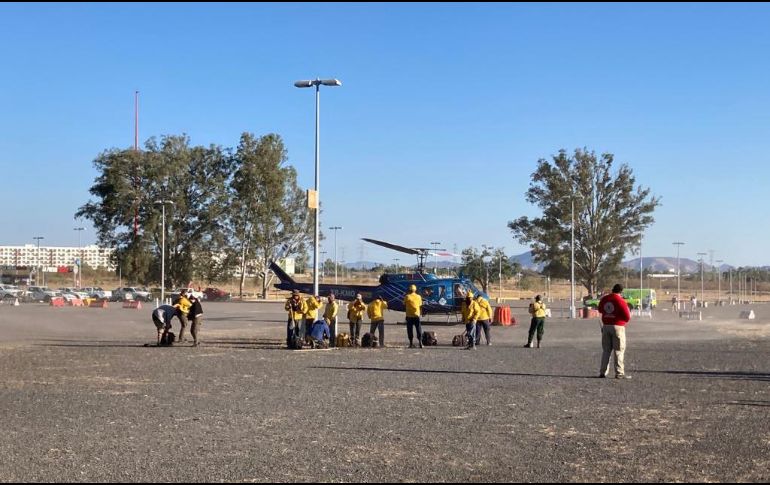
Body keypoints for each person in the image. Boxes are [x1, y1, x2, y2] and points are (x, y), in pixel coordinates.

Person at [598, 283, 632, 379]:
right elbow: (627, 316)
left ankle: (603, 372)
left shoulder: (605, 299)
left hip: (606, 326)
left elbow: (600, 310)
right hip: (618, 327)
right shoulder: (620, 300)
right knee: (618, 350)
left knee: (606, 351)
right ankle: (619, 373)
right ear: (621, 291)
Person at [404, 284, 423, 348]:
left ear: (409, 290)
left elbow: (404, 304)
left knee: (410, 330)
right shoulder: (419, 297)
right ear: (415, 290)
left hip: (409, 316)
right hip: (417, 315)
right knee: (418, 329)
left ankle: (411, 343)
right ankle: (420, 342)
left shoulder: (407, 296)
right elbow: (420, 305)